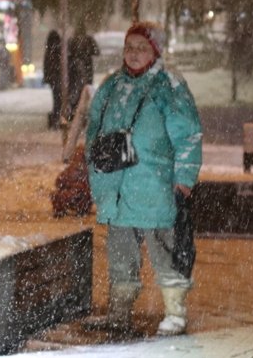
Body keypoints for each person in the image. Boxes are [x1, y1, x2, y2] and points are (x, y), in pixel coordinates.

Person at [85, 22, 202, 337]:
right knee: (121, 256)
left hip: (156, 187)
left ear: (155, 51)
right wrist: (94, 173)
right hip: (118, 190)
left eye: (142, 47)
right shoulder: (112, 86)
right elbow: (93, 132)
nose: (134, 54)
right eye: (130, 47)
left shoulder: (169, 85)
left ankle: (175, 312)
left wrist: (184, 178)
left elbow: (188, 135)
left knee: (165, 252)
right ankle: (119, 312)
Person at [68, 27, 99, 119]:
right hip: (84, 68)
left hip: (77, 68)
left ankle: (76, 112)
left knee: (78, 90)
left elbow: (68, 54)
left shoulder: (72, 40)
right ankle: (81, 113)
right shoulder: (89, 40)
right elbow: (96, 51)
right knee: (83, 90)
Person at [42, 29, 62, 130]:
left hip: (53, 79)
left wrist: (47, 78)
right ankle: (56, 120)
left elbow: (46, 66)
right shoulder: (57, 49)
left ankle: (55, 120)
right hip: (57, 78)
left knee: (57, 100)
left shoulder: (49, 50)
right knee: (58, 100)